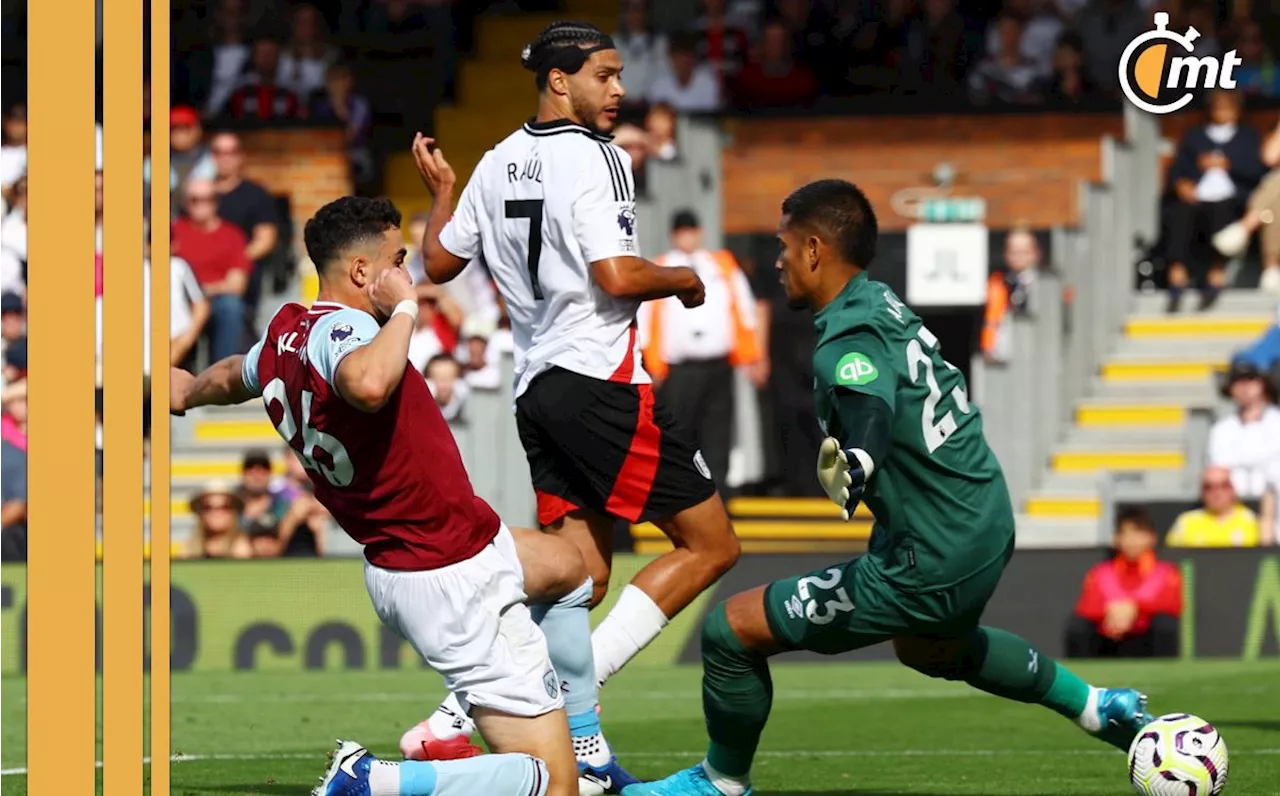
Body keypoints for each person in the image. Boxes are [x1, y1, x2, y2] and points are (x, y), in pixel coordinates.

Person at [622, 179, 1153, 796]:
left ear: (815, 250)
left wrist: (859, 458)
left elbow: (866, 399)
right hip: (983, 518)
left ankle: (721, 783)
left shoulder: (845, 340)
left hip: (929, 555)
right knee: (931, 651)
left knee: (730, 631)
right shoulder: (880, 301)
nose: (777, 260)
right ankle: (1095, 704)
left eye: (783, 245)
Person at [170, 196, 609, 796]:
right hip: (451, 574)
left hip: (440, 551)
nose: (409, 273)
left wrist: (188, 390)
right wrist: (404, 308)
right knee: (555, 788)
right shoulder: (345, 330)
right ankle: (373, 780)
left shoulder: (285, 331)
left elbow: (234, 375)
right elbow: (369, 383)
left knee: (569, 569)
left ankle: (580, 741)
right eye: (397, 260)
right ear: (360, 273)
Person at [409, 20, 741, 793]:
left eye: (619, 76)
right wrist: (685, 278)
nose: (618, 90)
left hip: (538, 391)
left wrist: (445, 195)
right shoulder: (599, 158)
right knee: (712, 547)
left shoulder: (495, 161)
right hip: (601, 383)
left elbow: (435, 262)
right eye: (604, 75)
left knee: (581, 577)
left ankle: (470, 714)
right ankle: (521, 712)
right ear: (560, 81)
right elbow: (619, 277)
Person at [1065, 508, 1181, 659]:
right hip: (1108, 637)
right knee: (1078, 627)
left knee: (1165, 625)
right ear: (1116, 539)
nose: (1131, 540)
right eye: (1125, 533)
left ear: (1152, 538)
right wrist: (1111, 613)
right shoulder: (1100, 573)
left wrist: (1135, 609)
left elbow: (1172, 605)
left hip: (1146, 638)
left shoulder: (1166, 572)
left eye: (1138, 533)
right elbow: (1085, 607)